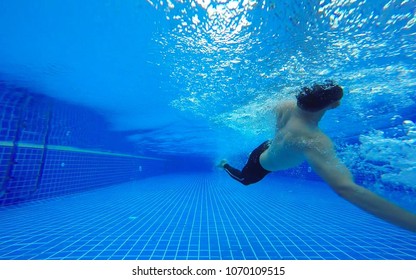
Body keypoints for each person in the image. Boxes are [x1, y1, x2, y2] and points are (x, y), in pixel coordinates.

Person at [219, 81, 416, 232]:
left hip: (265, 147)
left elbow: (260, 109)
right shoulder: (312, 140)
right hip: (262, 164)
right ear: (334, 105)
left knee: (261, 156)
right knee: (245, 180)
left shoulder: (286, 105)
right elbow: (346, 189)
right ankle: (224, 165)